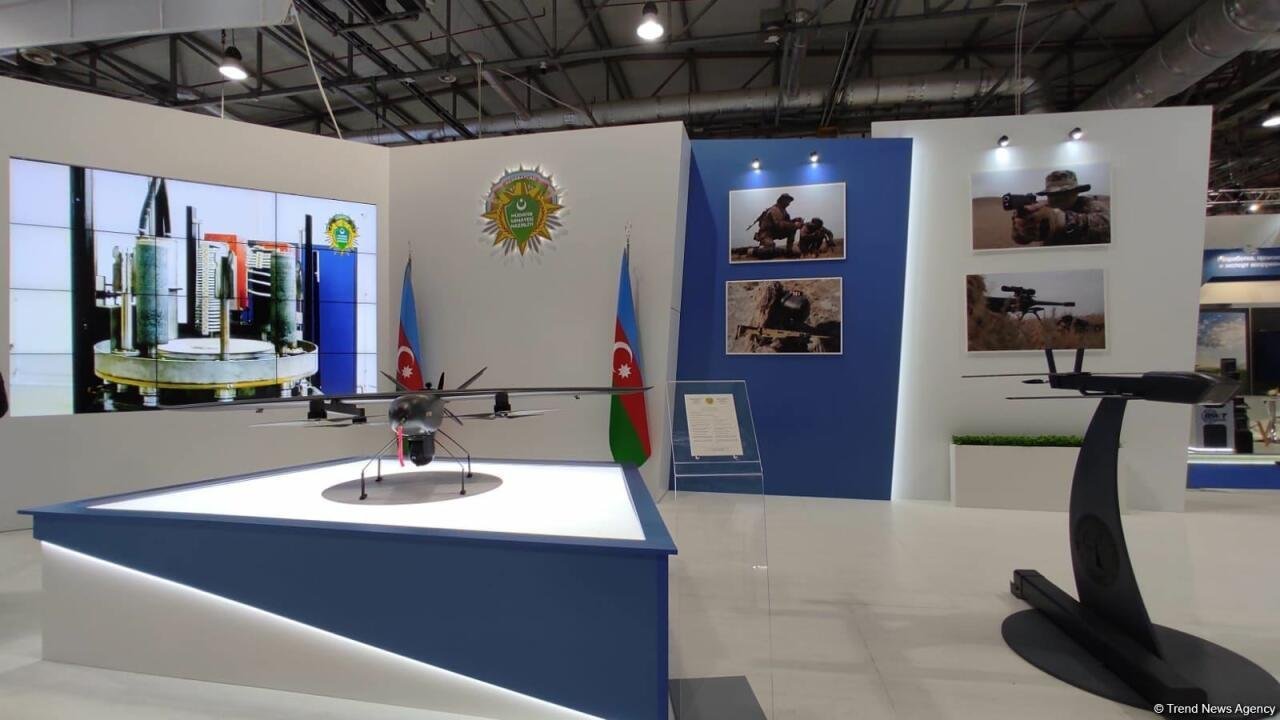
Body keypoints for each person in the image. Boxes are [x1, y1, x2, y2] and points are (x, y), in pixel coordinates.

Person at [1012, 170, 1110, 246]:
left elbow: (1109, 227)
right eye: (1052, 194)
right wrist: (1022, 228)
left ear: (1076, 192)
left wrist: (1066, 219)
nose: (1058, 198)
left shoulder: (1089, 204)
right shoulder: (1043, 209)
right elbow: (1020, 240)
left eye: (1064, 193)